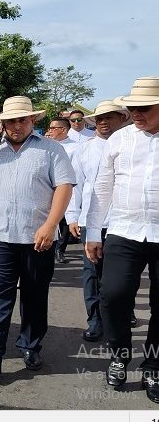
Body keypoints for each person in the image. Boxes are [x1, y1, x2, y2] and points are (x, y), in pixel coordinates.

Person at [0, 96, 74, 375]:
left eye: (21, 120)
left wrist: (51, 225)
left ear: (32, 120)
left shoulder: (51, 149)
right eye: (10, 121)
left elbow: (64, 187)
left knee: (34, 295)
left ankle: (30, 346)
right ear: (2, 123)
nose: (16, 125)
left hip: (37, 236)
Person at [85, 77, 159, 402]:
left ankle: (154, 365)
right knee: (113, 295)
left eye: (144, 108)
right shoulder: (119, 139)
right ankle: (119, 355)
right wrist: (92, 232)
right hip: (124, 230)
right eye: (132, 108)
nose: (136, 114)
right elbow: (103, 187)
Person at [65, 100, 130, 343]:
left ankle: (122, 314)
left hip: (123, 223)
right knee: (92, 273)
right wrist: (72, 216)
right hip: (91, 221)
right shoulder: (85, 149)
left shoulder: (131, 146)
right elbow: (76, 186)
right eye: (99, 118)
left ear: (122, 119)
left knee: (121, 276)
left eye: (109, 117)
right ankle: (95, 320)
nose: (103, 122)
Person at [47, 117, 80, 263]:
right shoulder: (46, 145)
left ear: (64, 130)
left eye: (53, 128)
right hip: (48, 188)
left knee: (64, 221)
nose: (50, 131)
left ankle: (60, 250)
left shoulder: (75, 147)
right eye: (50, 128)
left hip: (66, 187)